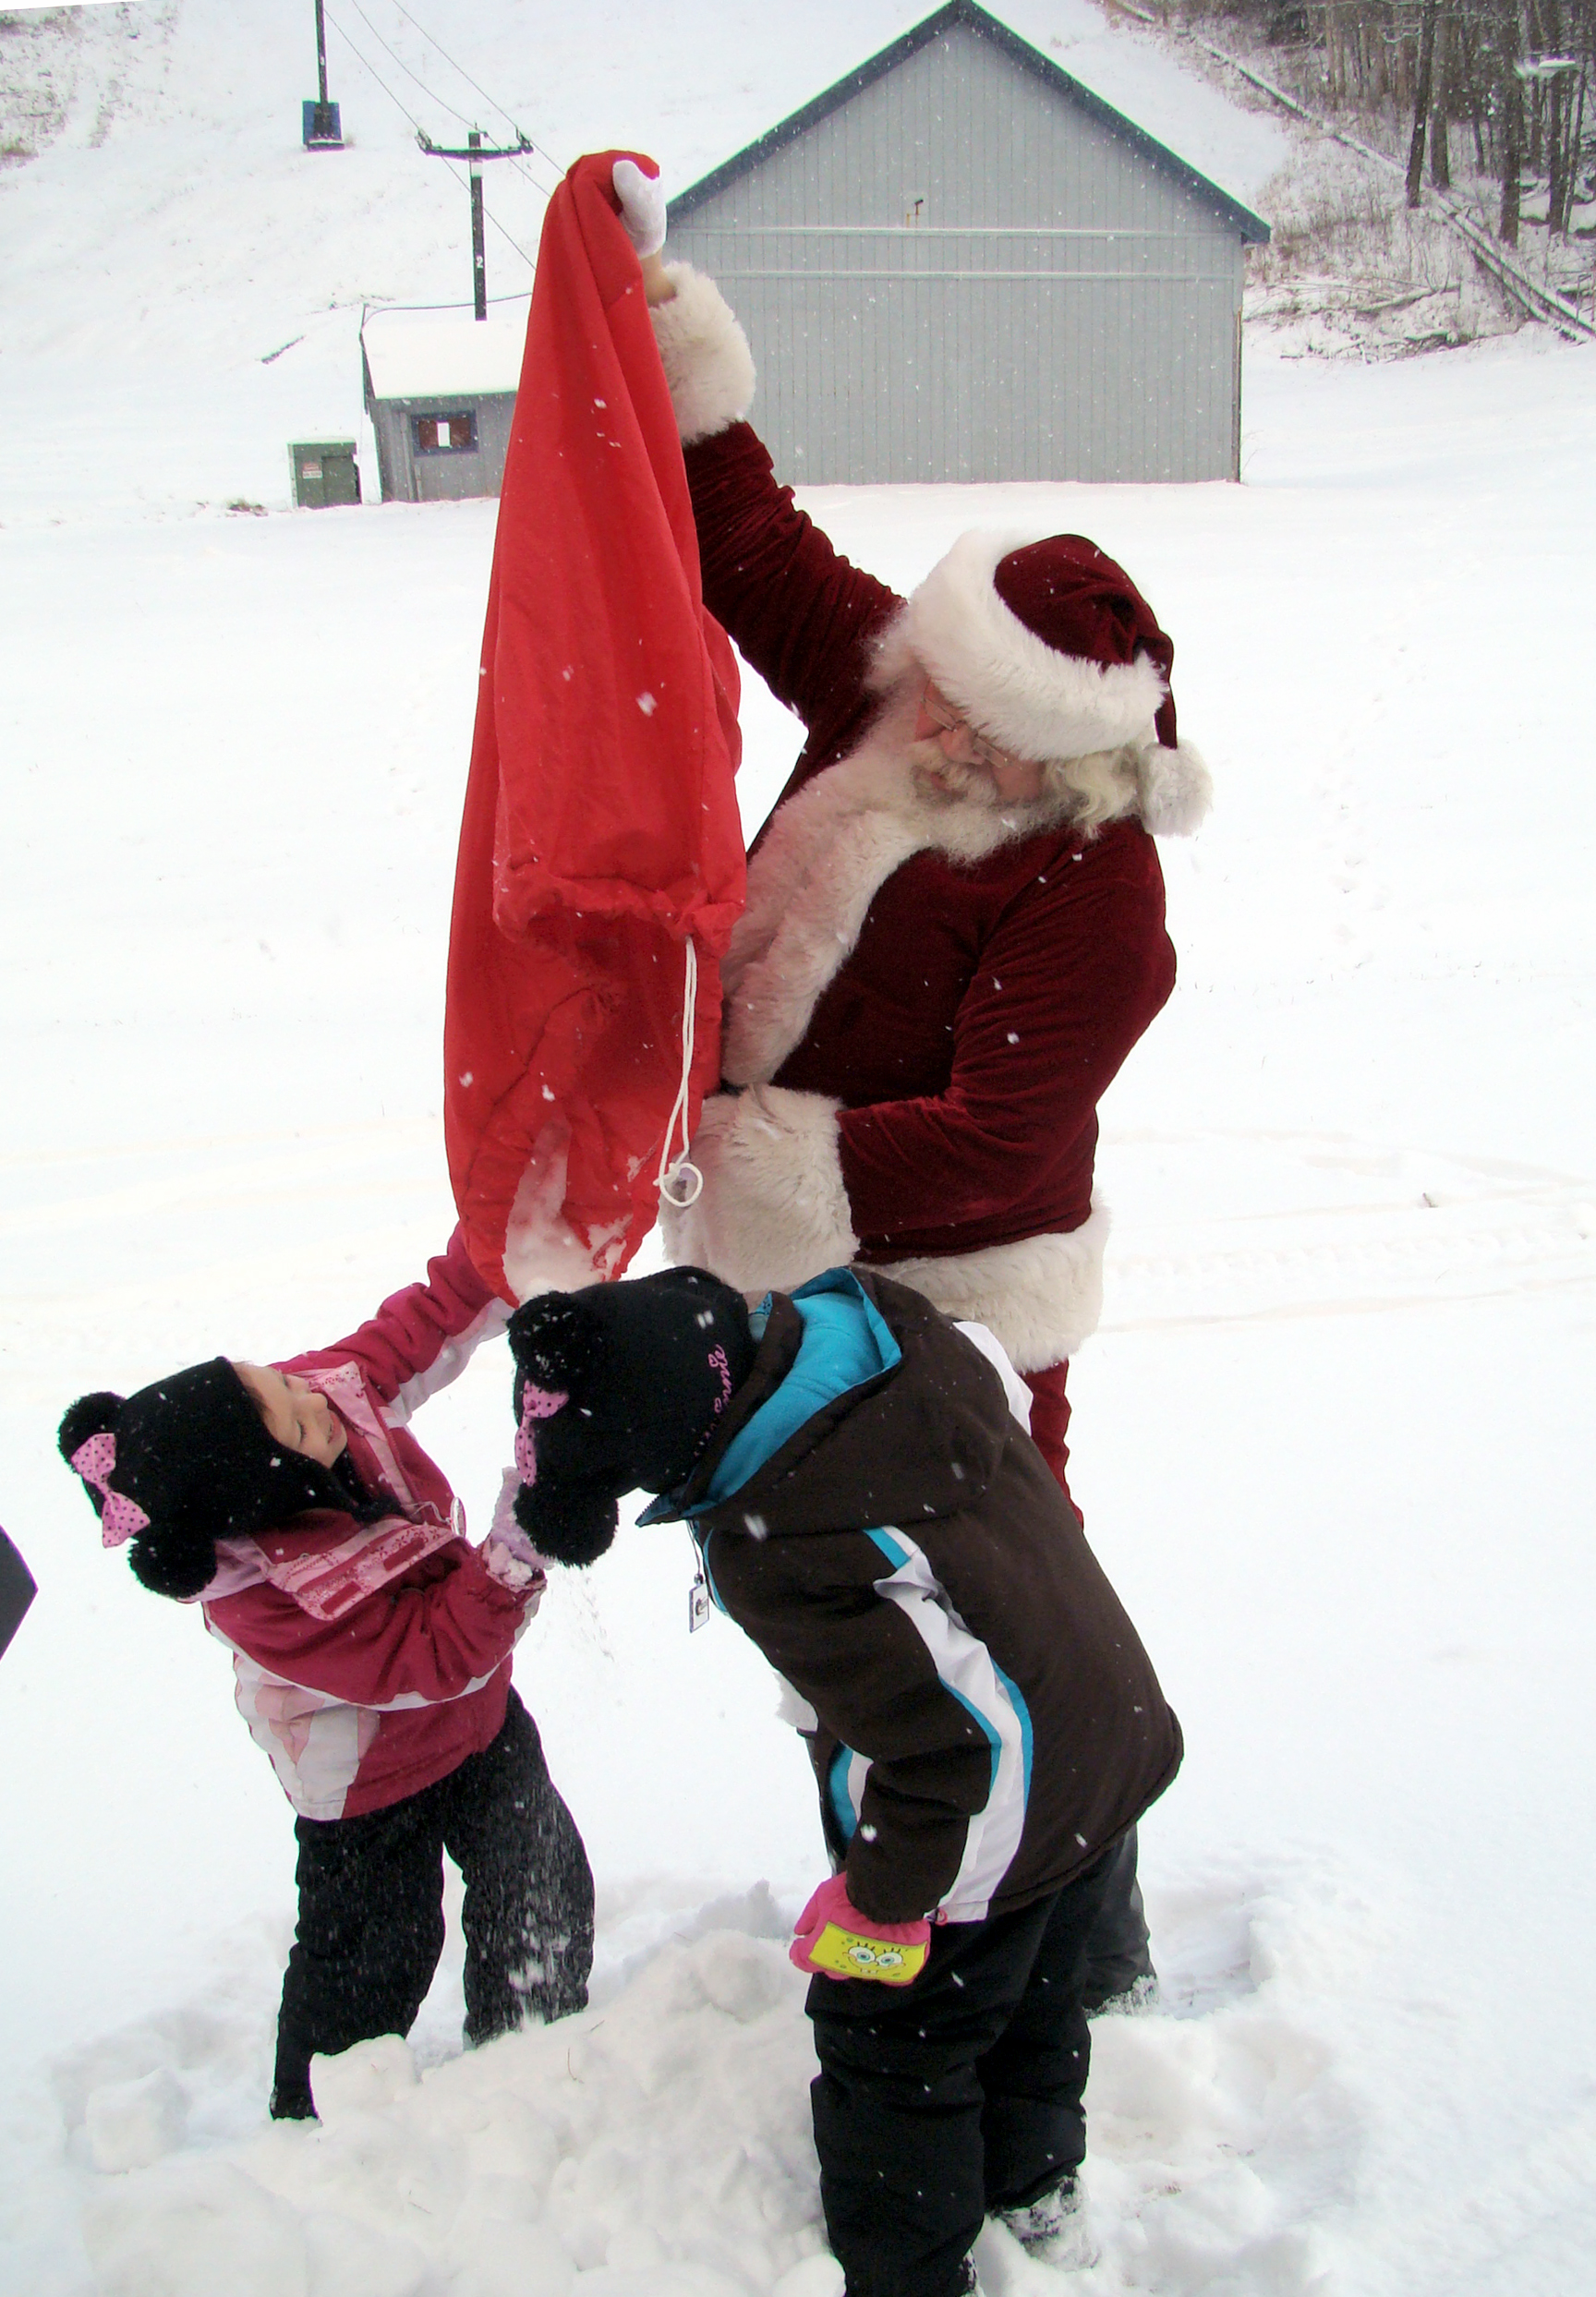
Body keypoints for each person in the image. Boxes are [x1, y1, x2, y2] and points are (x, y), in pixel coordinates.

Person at [613, 184, 1208, 2013]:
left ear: (1067, 743)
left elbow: (997, 1138)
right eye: (934, 680)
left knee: (1008, 1613)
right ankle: (906, 1883)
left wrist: (747, 1156)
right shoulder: (910, 695)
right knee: (830, 1610)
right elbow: (767, 558)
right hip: (806, 1294)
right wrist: (670, 353)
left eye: (975, 709)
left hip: (956, 1319)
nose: (926, 715)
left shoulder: (1092, 884)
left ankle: (1073, 1951)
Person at [503, 1262, 1181, 2297]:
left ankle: (907, 2272)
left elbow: (957, 1748)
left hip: (1007, 1787)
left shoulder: (786, 1538)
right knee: (1034, 1991)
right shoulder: (886, 1341)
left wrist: (886, 1903)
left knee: (892, 2041)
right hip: (1102, 1724)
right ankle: (1037, 2189)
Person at [58, 1227, 594, 2122]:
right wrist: (519, 1535)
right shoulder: (269, 1599)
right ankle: (317, 2125)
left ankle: (532, 2054)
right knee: (375, 1954)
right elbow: (431, 1654)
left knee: (537, 1876)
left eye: (274, 1378)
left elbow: (422, 1327)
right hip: (365, 1780)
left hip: (476, 1720)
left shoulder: (307, 1395)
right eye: (295, 1416)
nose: (311, 1397)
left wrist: (504, 1248)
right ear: (265, 1489)